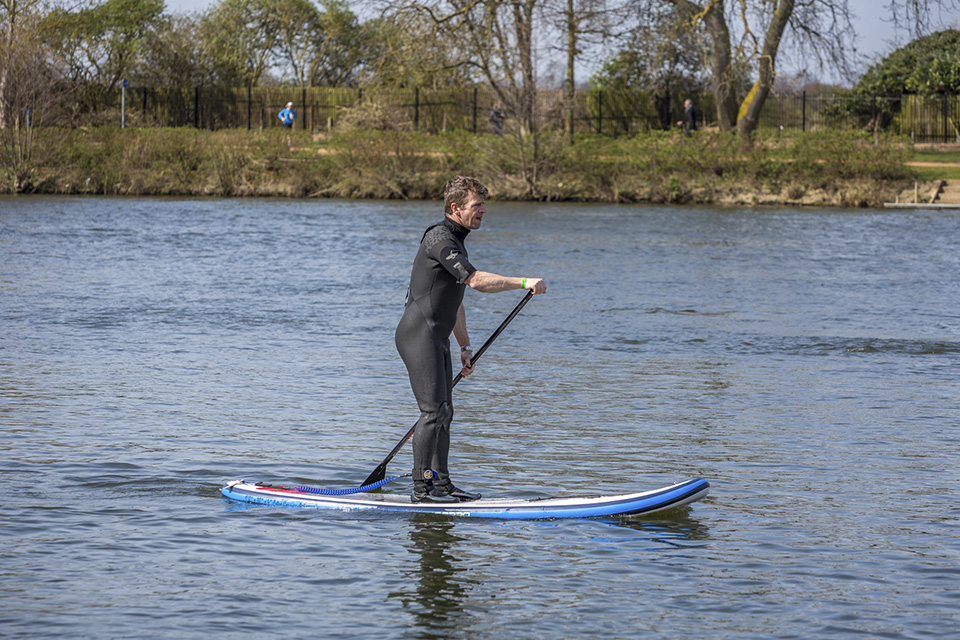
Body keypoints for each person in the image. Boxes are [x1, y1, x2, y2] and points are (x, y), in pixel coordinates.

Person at [396, 176, 547, 504]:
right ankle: (422, 490)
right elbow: (476, 281)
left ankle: (442, 484)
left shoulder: (457, 240)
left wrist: (465, 346)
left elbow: (455, 300)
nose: (483, 211)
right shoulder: (439, 238)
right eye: (476, 206)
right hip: (417, 333)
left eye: (482, 205)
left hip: (436, 336)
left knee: (445, 411)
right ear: (455, 208)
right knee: (432, 412)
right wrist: (523, 282)